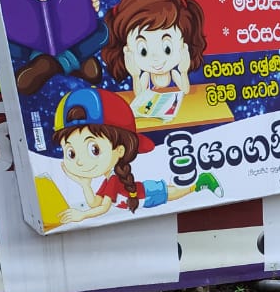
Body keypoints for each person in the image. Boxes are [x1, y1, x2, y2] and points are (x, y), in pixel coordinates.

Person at [51, 88, 221, 225]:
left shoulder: (112, 181)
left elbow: (102, 208)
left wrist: (82, 216)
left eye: (94, 149)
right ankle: (199, 182)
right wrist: (84, 184)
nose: (79, 161)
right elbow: (95, 203)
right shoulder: (109, 179)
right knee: (174, 192)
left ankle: (201, 181)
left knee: (177, 193)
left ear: (120, 150)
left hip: (146, 193)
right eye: (71, 153)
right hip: (143, 196)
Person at [101, 0, 207, 97]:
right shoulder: (146, 76)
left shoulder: (175, 73)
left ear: (183, 45)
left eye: (167, 49)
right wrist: (135, 76)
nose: (156, 58)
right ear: (127, 50)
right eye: (143, 51)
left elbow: (185, 90)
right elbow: (139, 95)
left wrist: (184, 71)